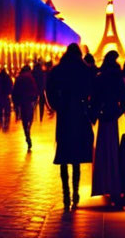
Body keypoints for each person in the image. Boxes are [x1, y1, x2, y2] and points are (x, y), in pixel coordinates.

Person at [46, 43, 94, 211]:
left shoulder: (58, 70)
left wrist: (56, 106)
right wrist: (90, 110)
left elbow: (49, 90)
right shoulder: (84, 69)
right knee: (76, 158)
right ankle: (75, 193)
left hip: (64, 114)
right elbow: (92, 90)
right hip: (80, 114)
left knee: (64, 155)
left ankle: (65, 193)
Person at [91, 50, 125, 207]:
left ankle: (105, 184)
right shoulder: (119, 77)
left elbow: (94, 98)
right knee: (116, 152)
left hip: (104, 116)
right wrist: (120, 112)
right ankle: (117, 186)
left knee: (104, 151)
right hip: (114, 114)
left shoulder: (100, 77)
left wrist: (94, 114)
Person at [11, 64, 38, 150]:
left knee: (24, 119)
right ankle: (28, 129)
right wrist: (35, 98)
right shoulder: (31, 78)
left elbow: (15, 90)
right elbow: (34, 89)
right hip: (29, 101)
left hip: (22, 102)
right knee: (30, 117)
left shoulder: (19, 78)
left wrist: (15, 102)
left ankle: (26, 133)